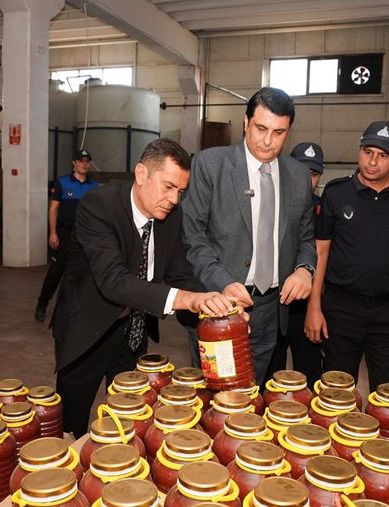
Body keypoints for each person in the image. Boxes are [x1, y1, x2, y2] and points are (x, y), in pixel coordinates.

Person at [52, 138, 235, 438]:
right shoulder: (99, 206)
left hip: (133, 333)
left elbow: (179, 274)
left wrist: (211, 301)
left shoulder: (171, 216)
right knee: (71, 427)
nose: (174, 199)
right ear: (141, 174)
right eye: (168, 187)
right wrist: (187, 299)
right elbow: (114, 281)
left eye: (180, 191)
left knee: (128, 424)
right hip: (88, 332)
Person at [182, 87, 318, 385]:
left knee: (252, 397)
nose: (268, 140)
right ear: (245, 122)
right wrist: (223, 282)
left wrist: (304, 269)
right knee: (218, 396)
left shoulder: (298, 175)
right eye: (261, 128)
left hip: (270, 309)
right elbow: (193, 236)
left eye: (279, 132)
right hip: (220, 306)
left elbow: (306, 236)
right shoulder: (210, 165)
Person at [305, 120, 389, 393]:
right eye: (367, 152)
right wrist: (314, 307)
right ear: (359, 149)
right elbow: (321, 251)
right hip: (341, 309)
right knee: (336, 395)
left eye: (383, 155)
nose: (372, 162)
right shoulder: (336, 193)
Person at [265, 141, 325, 385]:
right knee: (270, 376)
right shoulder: (268, 202)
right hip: (273, 302)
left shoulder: (324, 208)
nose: (307, 179)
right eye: (302, 171)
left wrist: (315, 307)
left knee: (310, 376)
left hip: (305, 305)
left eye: (314, 173)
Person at [35, 149, 98, 322]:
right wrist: (53, 233)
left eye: (87, 161)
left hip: (84, 235)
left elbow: (97, 212)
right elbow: (53, 209)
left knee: (83, 272)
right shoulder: (62, 182)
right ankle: (42, 304)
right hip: (64, 233)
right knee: (57, 270)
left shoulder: (94, 187)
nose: (84, 164)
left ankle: (77, 308)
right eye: (81, 161)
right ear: (74, 163)